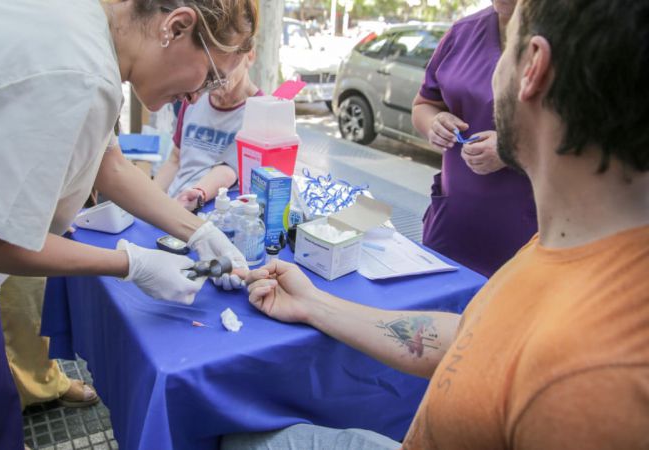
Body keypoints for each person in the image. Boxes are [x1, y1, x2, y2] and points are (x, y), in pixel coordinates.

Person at [225, 0, 649, 448]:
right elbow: (472, 340)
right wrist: (315, 305)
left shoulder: (600, 380)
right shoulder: (566, 245)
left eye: (509, 44)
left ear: (533, 68)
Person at [0, 0, 257, 449]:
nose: (200, 96)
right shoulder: (75, 68)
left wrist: (198, 231)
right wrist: (131, 263)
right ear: (176, 27)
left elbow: (110, 165)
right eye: (212, 75)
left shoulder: (85, 31)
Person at [411, 0, 536, 278]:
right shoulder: (462, 32)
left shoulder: (569, 40)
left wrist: (509, 149)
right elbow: (423, 105)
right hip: (453, 225)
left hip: (524, 232)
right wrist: (434, 122)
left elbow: (595, 142)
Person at [154, 49, 260, 210]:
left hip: (214, 210)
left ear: (249, 56)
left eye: (223, 67)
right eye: (210, 67)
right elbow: (175, 159)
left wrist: (196, 194)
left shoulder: (261, 112)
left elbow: (229, 170)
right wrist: (151, 197)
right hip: (173, 204)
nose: (213, 79)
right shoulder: (193, 100)